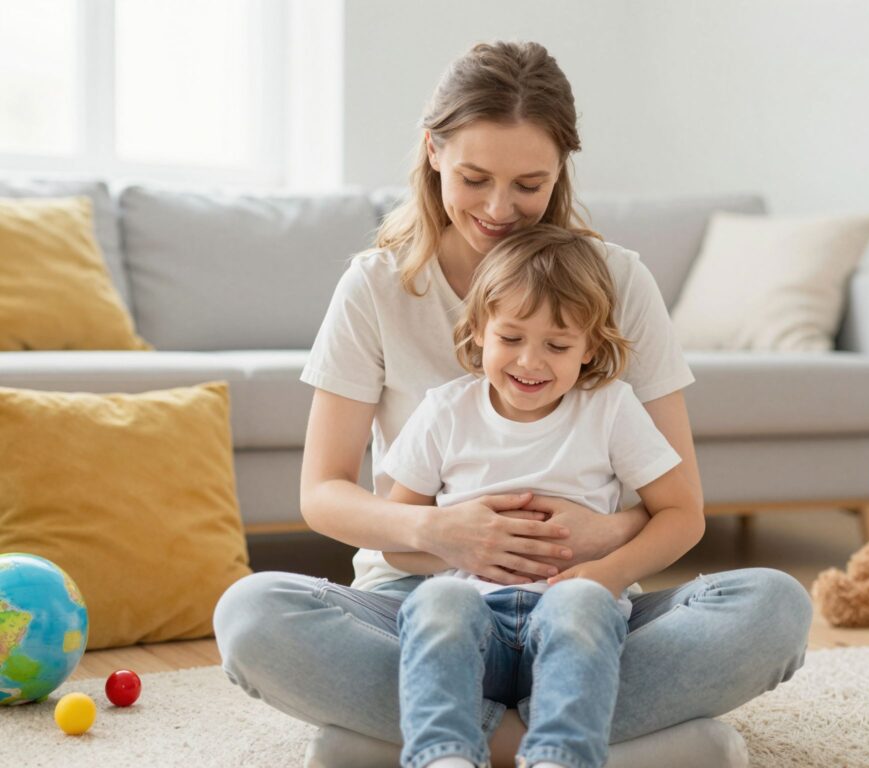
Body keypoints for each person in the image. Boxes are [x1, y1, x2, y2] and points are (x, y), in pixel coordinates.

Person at [214, 40, 812, 768]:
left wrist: (597, 540)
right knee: (251, 616)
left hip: (582, 611)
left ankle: (417, 738)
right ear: (433, 151)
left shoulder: (618, 281)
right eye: (474, 179)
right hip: (422, 604)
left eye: (530, 184)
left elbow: (678, 503)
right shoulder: (374, 287)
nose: (500, 209)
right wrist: (443, 532)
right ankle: (615, 745)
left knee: (775, 607)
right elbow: (323, 494)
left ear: (561, 170)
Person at [383, 225, 704, 768]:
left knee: (587, 603)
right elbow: (396, 542)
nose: (530, 362)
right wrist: (455, 546)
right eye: (511, 339)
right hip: (473, 628)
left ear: (590, 347)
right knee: (439, 601)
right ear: (479, 329)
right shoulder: (444, 410)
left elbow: (682, 515)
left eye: (557, 346)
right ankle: (443, 756)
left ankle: (559, 756)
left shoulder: (610, 407)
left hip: (575, 626)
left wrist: (607, 574)